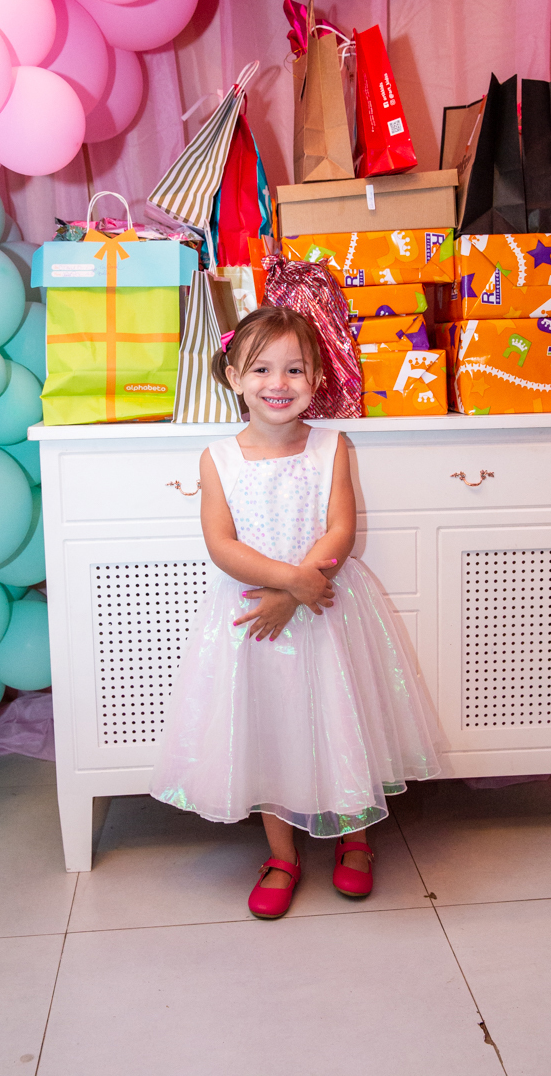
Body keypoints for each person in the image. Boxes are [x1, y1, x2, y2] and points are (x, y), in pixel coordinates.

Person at [150, 305, 440, 919]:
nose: (277, 383)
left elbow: (340, 529)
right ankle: (281, 855)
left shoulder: (333, 445)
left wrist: (301, 589)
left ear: (316, 378)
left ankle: (354, 838)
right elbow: (221, 546)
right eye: (261, 369)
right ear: (234, 377)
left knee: (341, 717)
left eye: (294, 369)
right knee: (269, 729)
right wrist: (289, 585)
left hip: (328, 611)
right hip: (255, 621)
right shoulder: (217, 458)